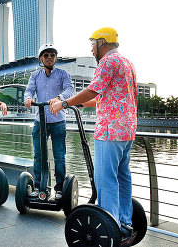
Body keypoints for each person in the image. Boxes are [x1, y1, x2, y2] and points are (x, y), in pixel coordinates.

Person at [50, 27, 138, 238]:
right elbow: (106, 96)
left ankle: (111, 227)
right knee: (123, 177)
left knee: (105, 179)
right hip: (127, 130)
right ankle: (125, 222)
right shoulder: (127, 62)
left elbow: (93, 89)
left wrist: (64, 103)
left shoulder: (108, 61)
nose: (91, 50)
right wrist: (79, 105)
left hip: (109, 130)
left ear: (102, 42)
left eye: (92, 44)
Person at [24, 44, 74, 200]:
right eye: (46, 55)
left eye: (52, 55)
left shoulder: (63, 74)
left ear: (56, 57)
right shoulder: (35, 76)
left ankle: (59, 189)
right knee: (38, 156)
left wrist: (59, 98)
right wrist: (28, 98)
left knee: (59, 156)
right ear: (41, 58)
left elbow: (69, 90)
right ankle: (39, 186)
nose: (50, 57)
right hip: (40, 121)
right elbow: (29, 90)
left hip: (58, 121)